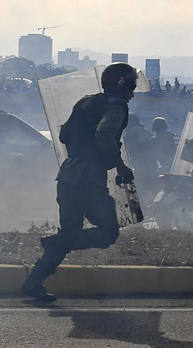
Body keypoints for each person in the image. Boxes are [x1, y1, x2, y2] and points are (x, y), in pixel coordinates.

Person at [21, 63, 138, 302]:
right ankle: (55, 244)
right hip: (89, 179)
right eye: (131, 86)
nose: (133, 92)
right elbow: (104, 134)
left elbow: (64, 135)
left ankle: (33, 282)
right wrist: (120, 165)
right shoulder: (116, 108)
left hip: (67, 175)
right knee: (108, 233)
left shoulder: (85, 102)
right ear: (122, 85)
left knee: (70, 232)